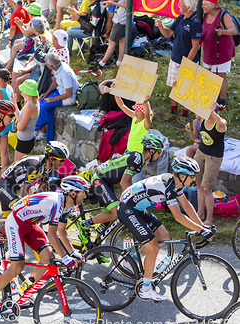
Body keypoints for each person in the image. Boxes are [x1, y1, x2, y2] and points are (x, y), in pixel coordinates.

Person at [0, 176, 88, 319]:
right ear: (73, 193)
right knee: (17, 267)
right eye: (83, 192)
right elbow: (52, 234)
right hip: (17, 224)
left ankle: (25, 291)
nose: (86, 195)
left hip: (30, 224)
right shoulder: (57, 203)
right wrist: (65, 257)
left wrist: (72, 253)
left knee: (48, 258)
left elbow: (61, 231)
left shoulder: (68, 205)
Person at [118, 156, 214, 301]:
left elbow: (187, 206)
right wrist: (202, 231)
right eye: (192, 176)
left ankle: (132, 259)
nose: (194, 179)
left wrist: (202, 227)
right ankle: (146, 289)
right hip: (127, 208)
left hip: (138, 208)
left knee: (163, 237)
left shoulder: (175, 184)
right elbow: (179, 216)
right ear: (182, 176)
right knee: (154, 248)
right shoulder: (168, 187)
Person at [77, 136, 164, 247]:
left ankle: (95, 246)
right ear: (152, 151)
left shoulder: (139, 159)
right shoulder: (137, 160)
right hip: (100, 180)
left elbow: (128, 182)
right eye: (159, 152)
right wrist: (134, 200)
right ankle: (84, 224)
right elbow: (124, 182)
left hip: (106, 181)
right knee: (116, 212)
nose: (160, 155)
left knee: (110, 217)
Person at [0, 141, 69, 222]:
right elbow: (25, 190)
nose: (63, 163)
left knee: (7, 223)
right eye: (61, 160)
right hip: (3, 187)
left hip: (12, 189)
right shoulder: (35, 164)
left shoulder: (48, 167)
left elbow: (42, 189)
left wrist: (45, 204)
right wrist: (32, 209)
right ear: (51, 158)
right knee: (21, 214)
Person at [155, 0, 201, 128]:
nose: (178, 5)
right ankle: (173, 112)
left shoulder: (195, 22)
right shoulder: (180, 18)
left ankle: (184, 116)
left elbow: (195, 46)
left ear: (187, 5)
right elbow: (168, 34)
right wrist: (160, 26)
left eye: (180, 3)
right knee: (174, 87)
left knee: (186, 89)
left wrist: (186, 63)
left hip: (189, 63)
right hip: (175, 59)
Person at [35, 53, 79, 142]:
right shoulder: (58, 67)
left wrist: (53, 99)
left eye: (46, 63)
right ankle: (47, 135)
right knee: (42, 101)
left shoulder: (65, 73)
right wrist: (47, 93)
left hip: (68, 98)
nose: (45, 64)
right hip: (60, 91)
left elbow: (69, 94)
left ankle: (37, 127)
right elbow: (55, 81)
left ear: (51, 66)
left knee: (46, 106)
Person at [195, 103, 227, 226]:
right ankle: (200, 214)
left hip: (214, 157)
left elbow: (222, 123)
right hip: (201, 152)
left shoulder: (220, 123)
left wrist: (212, 111)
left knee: (207, 188)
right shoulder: (202, 119)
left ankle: (209, 219)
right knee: (198, 183)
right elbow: (191, 102)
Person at [201, 0, 236, 106]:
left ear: (213, 5)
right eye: (202, 4)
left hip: (222, 50)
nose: (202, 6)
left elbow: (233, 31)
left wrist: (222, 32)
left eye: (205, 4)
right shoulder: (204, 15)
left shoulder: (223, 15)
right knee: (212, 75)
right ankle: (213, 99)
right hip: (209, 49)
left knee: (221, 75)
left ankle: (222, 102)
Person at [93, 0, 131, 69]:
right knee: (122, 41)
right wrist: (111, 2)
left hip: (120, 21)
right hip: (125, 20)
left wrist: (112, 3)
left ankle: (102, 63)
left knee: (112, 42)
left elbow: (127, 4)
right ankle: (119, 62)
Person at [14, 79, 39, 161]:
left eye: (22, 90)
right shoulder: (29, 102)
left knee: (17, 168)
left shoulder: (30, 107)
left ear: (27, 92)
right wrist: (14, 103)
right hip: (24, 139)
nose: (21, 92)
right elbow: (19, 118)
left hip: (25, 141)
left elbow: (20, 128)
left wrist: (16, 124)